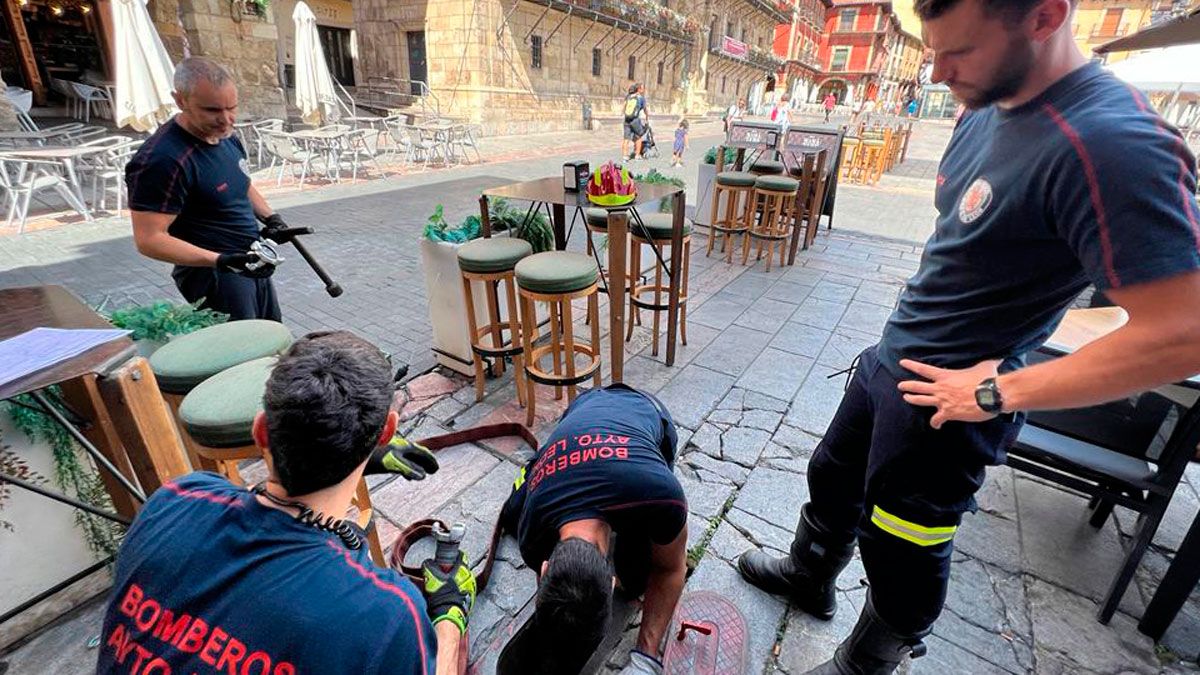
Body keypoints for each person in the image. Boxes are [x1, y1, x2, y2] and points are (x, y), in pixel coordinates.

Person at [735, 0, 1200, 671]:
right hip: (892, 358)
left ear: (1045, 17)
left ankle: (865, 661)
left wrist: (995, 390)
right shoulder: (985, 97)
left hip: (952, 403)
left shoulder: (1114, 142)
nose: (937, 71)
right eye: (933, 48)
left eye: (961, 52)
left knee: (902, 542)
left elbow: (1181, 334)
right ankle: (811, 574)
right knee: (831, 476)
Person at [96, 331, 476, 675]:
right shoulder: (384, 614)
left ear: (261, 430)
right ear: (387, 432)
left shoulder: (175, 500)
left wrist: (354, 458)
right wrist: (448, 613)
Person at [499, 384, 688, 675]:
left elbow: (671, 569)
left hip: (645, 408)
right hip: (583, 405)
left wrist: (645, 658)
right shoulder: (531, 531)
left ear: (612, 581)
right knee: (513, 512)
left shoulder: (659, 493)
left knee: (637, 582)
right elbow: (550, 596)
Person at [127, 57, 305, 322]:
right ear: (180, 101)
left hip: (249, 261)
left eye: (231, 108)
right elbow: (149, 239)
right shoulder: (162, 159)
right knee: (243, 353)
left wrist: (271, 218)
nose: (225, 120)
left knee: (272, 338)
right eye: (212, 110)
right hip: (213, 276)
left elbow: (240, 183)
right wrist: (220, 260)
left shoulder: (227, 137)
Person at [621, 83, 649, 161]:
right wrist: (647, 117)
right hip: (635, 120)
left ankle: (625, 156)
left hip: (627, 119)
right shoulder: (641, 98)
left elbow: (624, 107)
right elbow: (645, 109)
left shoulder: (629, 96)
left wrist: (624, 114)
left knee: (626, 138)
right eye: (642, 88)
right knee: (638, 137)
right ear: (639, 89)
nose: (643, 90)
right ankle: (637, 155)